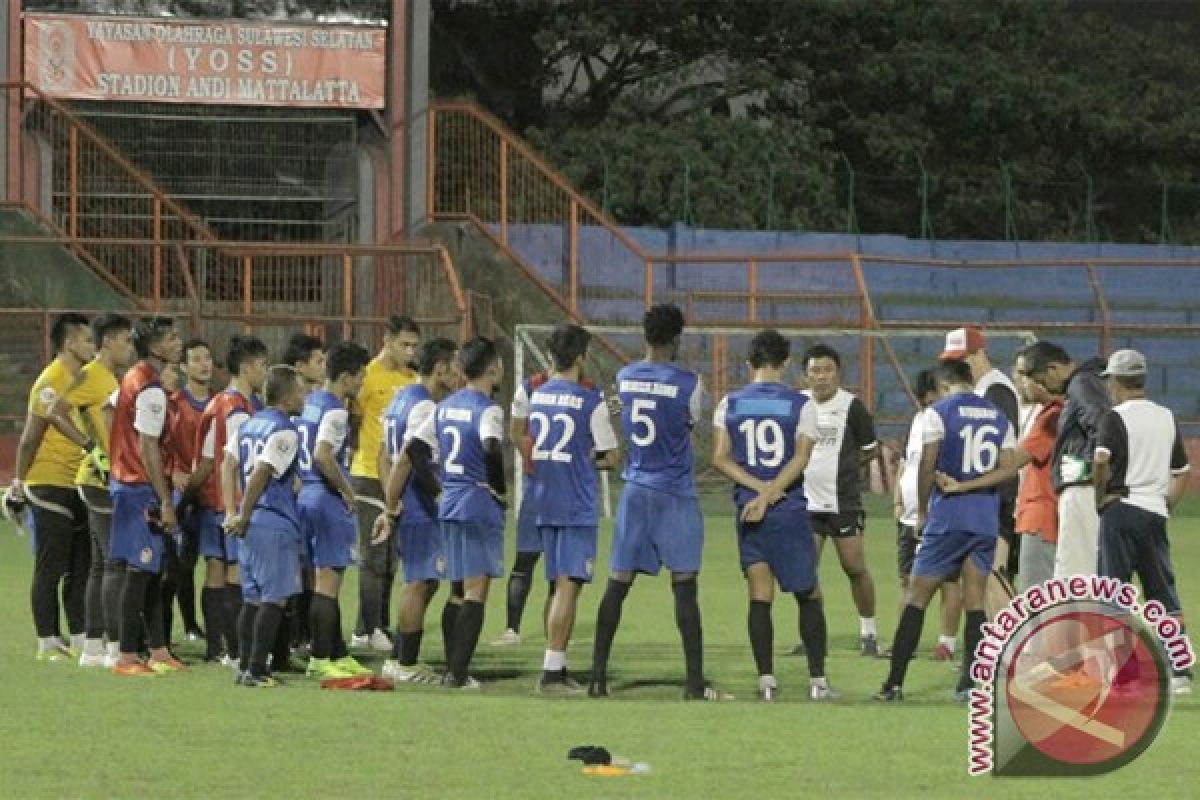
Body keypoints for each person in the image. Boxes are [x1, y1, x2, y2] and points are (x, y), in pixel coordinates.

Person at [588, 304, 728, 701]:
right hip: (675, 493)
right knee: (684, 586)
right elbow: (690, 424)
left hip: (635, 491)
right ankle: (693, 684)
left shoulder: (624, 377)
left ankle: (597, 679)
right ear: (676, 339)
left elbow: (617, 414)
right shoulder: (690, 384)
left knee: (617, 584)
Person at [874, 359, 1016, 702]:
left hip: (948, 517)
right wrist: (974, 487)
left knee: (917, 597)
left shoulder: (938, 413)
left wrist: (922, 510)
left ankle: (894, 683)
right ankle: (969, 685)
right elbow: (1009, 468)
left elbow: (927, 463)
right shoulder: (999, 416)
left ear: (946, 383)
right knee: (975, 602)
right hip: (984, 517)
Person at [711, 329, 834, 702]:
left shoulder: (729, 403)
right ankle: (818, 682)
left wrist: (757, 491)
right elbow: (801, 456)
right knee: (808, 593)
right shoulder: (802, 404)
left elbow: (719, 457)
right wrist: (771, 491)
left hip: (749, 509)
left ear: (749, 364)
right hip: (789, 508)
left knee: (759, 592)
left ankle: (766, 679)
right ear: (785, 363)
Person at [522, 325, 619, 694]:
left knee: (558, 585)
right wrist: (590, 456)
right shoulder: (590, 401)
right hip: (576, 503)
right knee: (568, 586)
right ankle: (551, 673)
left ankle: (556, 664)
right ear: (581, 357)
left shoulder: (538, 395)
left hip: (544, 500)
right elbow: (610, 456)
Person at [406, 337, 507, 688]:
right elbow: (492, 448)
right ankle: (458, 675)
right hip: (477, 501)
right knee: (477, 590)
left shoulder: (444, 406)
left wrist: (438, 489)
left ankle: (453, 667)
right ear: (492, 368)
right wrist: (501, 490)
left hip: (449, 502)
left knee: (457, 588)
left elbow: (416, 450)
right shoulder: (489, 408)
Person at [1092, 349, 1192, 694]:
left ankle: (1123, 673)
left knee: (1114, 592)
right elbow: (1182, 471)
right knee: (1162, 591)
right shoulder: (1166, 417)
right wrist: (1166, 505)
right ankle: (1180, 671)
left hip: (1122, 508)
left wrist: (1099, 498)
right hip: (1154, 513)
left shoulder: (1114, 417)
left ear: (1116, 382)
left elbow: (1101, 461)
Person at [939, 349, 1063, 592]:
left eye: (1023, 374)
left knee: (1018, 586)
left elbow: (1011, 463)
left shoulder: (1050, 415)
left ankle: (1018, 631)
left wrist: (963, 478)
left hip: (1038, 512)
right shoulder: (1040, 413)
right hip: (1029, 509)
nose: (1019, 380)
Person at [12, 312, 95, 661]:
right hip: (48, 483)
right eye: (88, 340)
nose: (93, 346)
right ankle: (47, 638)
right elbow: (30, 438)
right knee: (51, 565)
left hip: (78, 482)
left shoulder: (85, 380)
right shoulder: (50, 381)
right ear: (69, 343)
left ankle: (77, 635)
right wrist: (18, 481)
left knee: (81, 565)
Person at [377, 337, 461, 683]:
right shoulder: (426, 407)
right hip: (421, 508)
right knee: (419, 581)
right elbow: (411, 456)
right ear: (440, 367)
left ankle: (400, 657)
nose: (458, 373)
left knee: (423, 581)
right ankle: (405, 663)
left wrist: (391, 501)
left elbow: (384, 454)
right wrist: (437, 495)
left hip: (407, 503)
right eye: (453, 366)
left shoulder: (400, 399)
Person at [108, 317, 186, 676]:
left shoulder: (136, 378)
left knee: (154, 571)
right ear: (155, 348)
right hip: (141, 489)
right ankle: (126, 655)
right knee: (139, 571)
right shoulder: (150, 388)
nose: (178, 342)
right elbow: (149, 446)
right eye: (171, 338)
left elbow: (111, 412)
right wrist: (165, 499)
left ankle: (157, 650)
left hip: (132, 483)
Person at [185, 335, 268, 664]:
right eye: (262, 365)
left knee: (215, 573)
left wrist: (188, 499)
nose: (265, 372)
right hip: (232, 504)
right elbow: (237, 465)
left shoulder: (218, 402)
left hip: (212, 503)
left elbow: (206, 461)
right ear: (247, 369)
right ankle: (235, 650)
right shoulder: (240, 412)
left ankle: (215, 648)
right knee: (235, 575)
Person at [224, 366, 308, 688]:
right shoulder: (284, 430)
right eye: (300, 391)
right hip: (271, 521)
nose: (304, 396)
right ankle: (258, 670)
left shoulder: (249, 424)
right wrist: (242, 514)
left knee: (254, 599)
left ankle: (245, 666)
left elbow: (228, 464)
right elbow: (261, 472)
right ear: (286, 397)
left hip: (250, 525)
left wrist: (233, 512)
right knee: (275, 599)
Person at [294, 341, 374, 679]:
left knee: (316, 581)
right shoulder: (336, 410)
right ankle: (322, 656)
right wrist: (346, 490)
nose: (362, 384)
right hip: (326, 499)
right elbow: (324, 454)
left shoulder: (309, 402)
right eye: (360, 377)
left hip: (304, 496)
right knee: (329, 583)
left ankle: (335, 651)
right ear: (345, 377)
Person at [797, 343, 881, 656]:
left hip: (843, 502)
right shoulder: (799, 405)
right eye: (815, 371)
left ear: (838, 373)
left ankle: (869, 633)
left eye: (828, 370)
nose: (822, 377)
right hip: (805, 503)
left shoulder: (853, 407)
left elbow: (871, 447)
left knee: (855, 567)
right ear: (805, 376)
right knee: (805, 571)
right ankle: (812, 635)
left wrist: (847, 467)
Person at [350, 315, 420, 651]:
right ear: (387, 341)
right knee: (373, 555)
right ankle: (367, 629)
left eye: (414, 346)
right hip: (368, 474)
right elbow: (353, 420)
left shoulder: (413, 379)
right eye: (404, 344)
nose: (409, 351)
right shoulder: (368, 376)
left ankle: (376, 625)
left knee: (391, 557)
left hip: (398, 476)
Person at [938, 326, 1021, 607]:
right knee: (980, 577)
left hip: (998, 495)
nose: (959, 367)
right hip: (983, 495)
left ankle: (1023, 642)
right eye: (953, 362)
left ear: (981, 353)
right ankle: (1005, 644)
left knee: (991, 575)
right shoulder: (983, 389)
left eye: (964, 358)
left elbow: (1003, 451)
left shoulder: (996, 391)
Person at [73, 314, 134, 668]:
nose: (128, 347)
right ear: (108, 341)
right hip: (99, 479)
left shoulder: (110, 377)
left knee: (100, 565)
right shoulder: (90, 375)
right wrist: (88, 445)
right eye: (125, 341)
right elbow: (54, 409)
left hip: (101, 478)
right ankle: (114, 647)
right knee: (115, 563)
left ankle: (92, 646)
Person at [1019, 341, 1109, 579]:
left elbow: (1101, 427)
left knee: (1074, 579)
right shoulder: (1095, 382)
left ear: (1053, 369)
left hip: (1084, 490)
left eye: (1041, 379)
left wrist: (1090, 470)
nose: (1043, 386)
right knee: (1092, 575)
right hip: (1090, 490)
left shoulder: (1081, 384)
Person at [893, 368, 962, 661]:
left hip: (938, 514)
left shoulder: (949, 423)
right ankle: (902, 644)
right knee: (908, 580)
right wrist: (897, 499)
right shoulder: (920, 420)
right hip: (909, 515)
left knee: (947, 581)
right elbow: (908, 463)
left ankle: (946, 643)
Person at [162, 338, 212, 648]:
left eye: (207, 358)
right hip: (182, 494)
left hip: (211, 493)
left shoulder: (221, 403)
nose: (203, 364)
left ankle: (201, 626)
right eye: (196, 359)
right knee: (176, 564)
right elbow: (158, 446)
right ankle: (170, 630)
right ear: (184, 366)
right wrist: (173, 472)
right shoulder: (174, 404)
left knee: (208, 563)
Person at [492, 371, 549, 647]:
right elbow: (516, 432)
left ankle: (554, 633)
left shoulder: (585, 388)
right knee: (527, 560)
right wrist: (534, 459)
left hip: (560, 490)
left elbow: (515, 433)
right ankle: (512, 628)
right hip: (540, 487)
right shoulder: (529, 388)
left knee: (558, 567)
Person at [282, 331, 326, 648]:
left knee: (309, 566)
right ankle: (296, 636)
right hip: (293, 494)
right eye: (318, 361)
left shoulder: (316, 403)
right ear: (299, 366)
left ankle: (305, 636)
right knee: (297, 567)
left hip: (306, 494)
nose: (324, 366)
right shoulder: (291, 407)